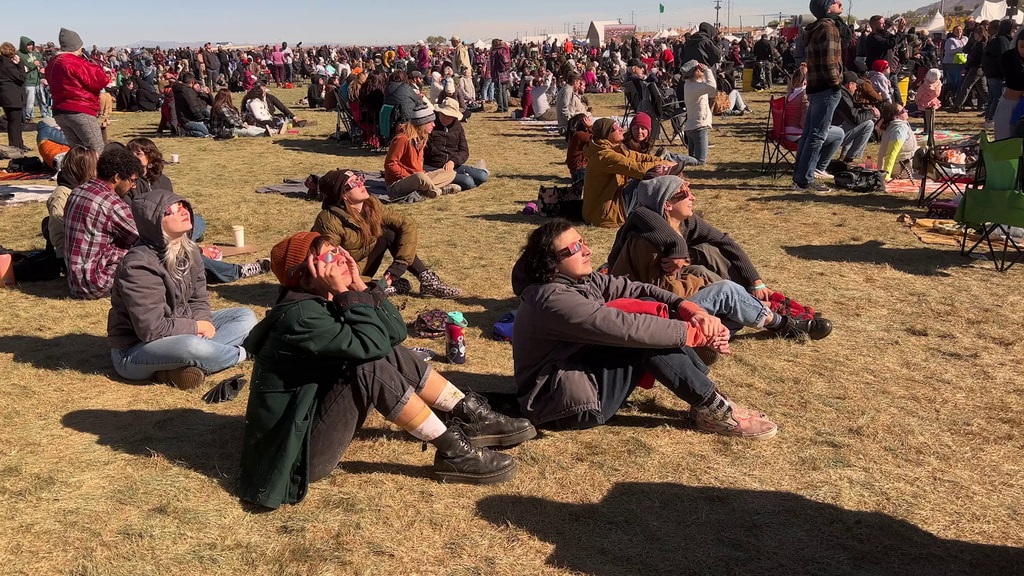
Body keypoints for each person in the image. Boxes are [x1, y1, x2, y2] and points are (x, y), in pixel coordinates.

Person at [238, 232, 535, 509]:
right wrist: (345, 293)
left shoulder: (322, 300)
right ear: (305, 276)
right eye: (329, 257)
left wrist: (361, 288)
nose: (342, 259)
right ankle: (452, 451)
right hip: (298, 454)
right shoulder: (300, 317)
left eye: (339, 252)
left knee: (385, 351)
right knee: (369, 364)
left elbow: (394, 335)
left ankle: (468, 414)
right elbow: (372, 345)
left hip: (315, 418)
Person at [510, 219, 778, 439]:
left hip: (578, 375)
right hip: (563, 404)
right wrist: (696, 333)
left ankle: (708, 396)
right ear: (551, 262)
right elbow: (625, 328)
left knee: (648, 306)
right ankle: (714, 410)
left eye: (583, 242)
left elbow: (637, 288)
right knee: (643, 338)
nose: (587, 250)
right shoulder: (551, 300)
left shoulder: (580, 280)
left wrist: (689, 309)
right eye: (574, 248)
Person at [606, 176, 832, 339]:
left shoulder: (683, 224)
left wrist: (755, 280)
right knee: (725, 290)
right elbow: (660, 292)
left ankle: (723, 327)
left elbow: (725, 242)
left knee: (732, 307)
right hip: (656, 315)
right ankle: (785, 324)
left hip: (673, 308)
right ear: (667, 204)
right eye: (684, 194)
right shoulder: (648, 241)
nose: (692, 197)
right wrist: (699, 283)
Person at [107, 189, 258, 390]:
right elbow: (151, 329)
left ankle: (175, 369)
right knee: (191, 347)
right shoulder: (138, 266)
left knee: (244, 316)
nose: (183, 211)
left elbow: (199, 298)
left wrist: (202, 322)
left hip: (183, 330)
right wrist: (197, 329)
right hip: (136, 350)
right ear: (154, 222)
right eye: (172, 210)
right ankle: (243, 353)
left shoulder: (190, 250)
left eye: (183, 205)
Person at [125, 137, 271, 282]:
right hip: (155, 233)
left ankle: (189, 239)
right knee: (187, 252)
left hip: (172, 225)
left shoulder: (163, 181)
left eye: (138, 154)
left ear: (151, 157)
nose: (133, 157)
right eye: (130, 154)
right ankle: (238, 271)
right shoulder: (129, 183)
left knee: (198, 220)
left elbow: (175, 207)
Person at [310, 169, 462, 298]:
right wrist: (356, 282)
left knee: (389, 233)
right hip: (345, 273)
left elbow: (406, 224)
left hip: (364, 264)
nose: (362, 184)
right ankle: (377, 288)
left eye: (360, 179)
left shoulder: (372, 204)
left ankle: (428, 280)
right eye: (354, 183)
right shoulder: (329, 221)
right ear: (343, 195)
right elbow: (326, 265)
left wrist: (400, 265)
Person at [62, 146, 142, 299]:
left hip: (75, 280)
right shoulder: (111, 204)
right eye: (132, 180)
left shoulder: (78, 191)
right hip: (98, 283)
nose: (134, 186)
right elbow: (147, 236)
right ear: (117, 177)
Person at [792, 0, 849, 193]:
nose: (840, 2)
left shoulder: (815, 28)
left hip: (815, 86)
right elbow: (830, 61)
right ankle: (804, 179)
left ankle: (799, 177)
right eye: (834, 1)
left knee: (809, 134)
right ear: (827, 7)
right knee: (817, 135)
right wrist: (836, 83)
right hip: (826, 87)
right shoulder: (829, 27)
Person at [582, 118, 672, 228]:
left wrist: (662, 162)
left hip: (606, 205)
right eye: (615, 128)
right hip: (605, 214)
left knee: (648, 174)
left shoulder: (612, 148)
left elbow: (638, 157)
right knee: (647, 176)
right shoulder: (604, 156)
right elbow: (637, 168)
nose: (621, 129)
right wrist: (666, 165)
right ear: (606, 133)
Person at [46, 28, 108, 151]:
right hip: (80, 109)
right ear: (76, 46)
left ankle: (80, 170)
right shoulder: (75, 63)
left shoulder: (53, 64)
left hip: (60, 110)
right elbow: (100, 80)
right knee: (96, 150)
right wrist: (94, 64)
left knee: (78, 153)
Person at [384, 105, 460, 201]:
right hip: (398, 182)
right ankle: (437, 189)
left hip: (419, 177)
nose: (434, 125)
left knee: (450, 173)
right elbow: (390, 164)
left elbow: (418, 168)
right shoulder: (402, 139)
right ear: (422, 124)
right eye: (430, 122)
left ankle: (429, 189)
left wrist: (422, 175)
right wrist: (409, 176)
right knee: (420, 177)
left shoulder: (422, 138)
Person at [785, 65, 843, 181]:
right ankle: (820, 167)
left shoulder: (791, 94)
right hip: (798, 134)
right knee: (839, 133)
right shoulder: (804, 96)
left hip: (787, 132)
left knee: (826, 133)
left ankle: (814, 163)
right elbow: (805, 123)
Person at [46, 146, 98, 266]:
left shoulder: (91, 187)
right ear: (86, 167)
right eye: (97, 164)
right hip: (78, 258)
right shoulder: (62, 195)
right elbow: (57, 235)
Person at [423, 99, 489, 191]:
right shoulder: (431, 125)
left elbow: (464, 151)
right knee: (468, 182)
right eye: (443, 115)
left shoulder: (457, 127)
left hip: (454, 165)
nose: (445, 118)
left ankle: (455, 181)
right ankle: (449, 184)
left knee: (483, 176)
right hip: (435, 166)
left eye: (449, 116)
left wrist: (452, 162)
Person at [832, 70, 878, 164]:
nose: (856, 87)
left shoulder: (841, 93)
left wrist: (866, 110)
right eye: (855, 85)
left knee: (856, 124)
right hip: (832, 133)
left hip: (831, 131)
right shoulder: (842, 95)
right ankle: (851, 158)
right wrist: (872, 113)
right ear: (849, 85)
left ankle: (845, 157)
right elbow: (855, 119)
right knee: (868, 124)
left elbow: (852, 114)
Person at [679, 61, 719, 165]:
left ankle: (672, 158)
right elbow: (712, 85)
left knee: (692, 159)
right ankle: (671, 157)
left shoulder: (689, 85)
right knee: (700, 161)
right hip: (699, 127)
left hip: (691, 127)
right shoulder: (695, 87)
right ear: (696, 72)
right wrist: (707, 70)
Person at [624, 112, 697, 167]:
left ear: (649, 131)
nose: (639, 132)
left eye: (643, 129)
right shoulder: (624, 145)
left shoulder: (648, 143)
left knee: (673, 157)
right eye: (636, 128)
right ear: (631, 129)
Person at [877, 101, 918, 181]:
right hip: (902, 169)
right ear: (896, 117)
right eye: (903, 111)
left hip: (902, 165)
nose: (907, 111)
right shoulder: (899, 128)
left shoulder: (892, 126)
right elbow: (891, 153)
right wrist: (886, 175)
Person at [982, 19, 1010, 130]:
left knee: (993, 96)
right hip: (997, 73)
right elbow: (1001, 58)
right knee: (997, 97)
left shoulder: (994, 40)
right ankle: (991, 118)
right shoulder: (1000, 40)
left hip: (992, 72)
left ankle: (989, 117)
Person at [0, 42, 27, 151]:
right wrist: (20, 64)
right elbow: (21, 78)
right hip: (12, 96)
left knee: (13, 121)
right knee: (15, 123)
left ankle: (19, 144)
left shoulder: (3, 63)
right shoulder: (7, 65)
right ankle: (16, 145)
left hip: (6, 96)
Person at [18, 36, 49, 122]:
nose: (30, 47)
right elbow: (24, 68)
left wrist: (39, 65)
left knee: (42, 99)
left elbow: (39, 60)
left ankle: (45, 114)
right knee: (30, 101)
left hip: (37, 79)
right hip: (29, 81)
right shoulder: (20, 55)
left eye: (31, 45)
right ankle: (29, 117)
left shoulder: (34, 53)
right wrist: (33, 65)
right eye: (28, 45)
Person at [172, 71, 211, 137]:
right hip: (188, 120)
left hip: (184, 118)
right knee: (206, 133)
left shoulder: (181, 90)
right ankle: (185, 132)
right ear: (192, 81)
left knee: (206, 130)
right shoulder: (188, 92)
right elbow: (194, 107)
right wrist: (201, 118)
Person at [565, 112, 592, 184]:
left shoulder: (575, 135)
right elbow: (596, 139)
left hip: (577, 169)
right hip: (581, 169)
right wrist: (590, 126)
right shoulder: (580, 135)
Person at [491, 39, 512, 113]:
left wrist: (493, 75)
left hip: (498, 73)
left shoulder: (494, 52)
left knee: (498, 91)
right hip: (505, 73)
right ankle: (505, 107)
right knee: (504, 91)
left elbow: (493, 65)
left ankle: (500, 108)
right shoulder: (505, 50)